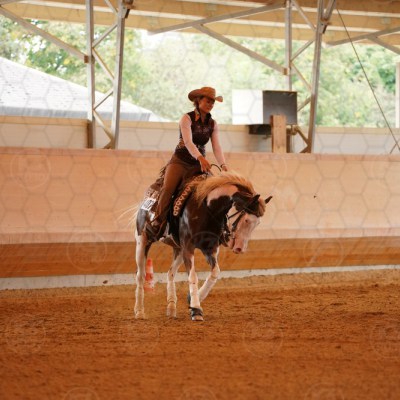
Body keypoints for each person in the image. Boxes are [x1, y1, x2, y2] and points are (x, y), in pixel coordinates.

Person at [145, 86, 229, 241]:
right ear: (198, 100)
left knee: (215, 189)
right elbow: (188, 142)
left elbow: (217, 147)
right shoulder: (187, 118)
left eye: (213, 102)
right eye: (208, 101)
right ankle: (157, 222)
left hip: (199, 164)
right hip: (180, 161)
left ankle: (222, 227)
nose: (211, 104)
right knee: (168, 188)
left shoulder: (212, 124)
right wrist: (201, 158)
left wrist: (223, 165)